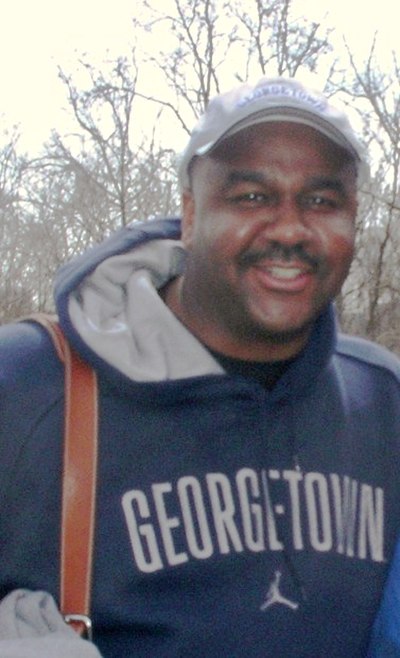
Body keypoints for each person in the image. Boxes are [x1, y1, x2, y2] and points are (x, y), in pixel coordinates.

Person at [0, 76, 400, 658]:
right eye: (252, 197)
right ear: (189, 215)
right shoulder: (30, 386)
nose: (290, 229)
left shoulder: (383, 403)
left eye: (321, 201)